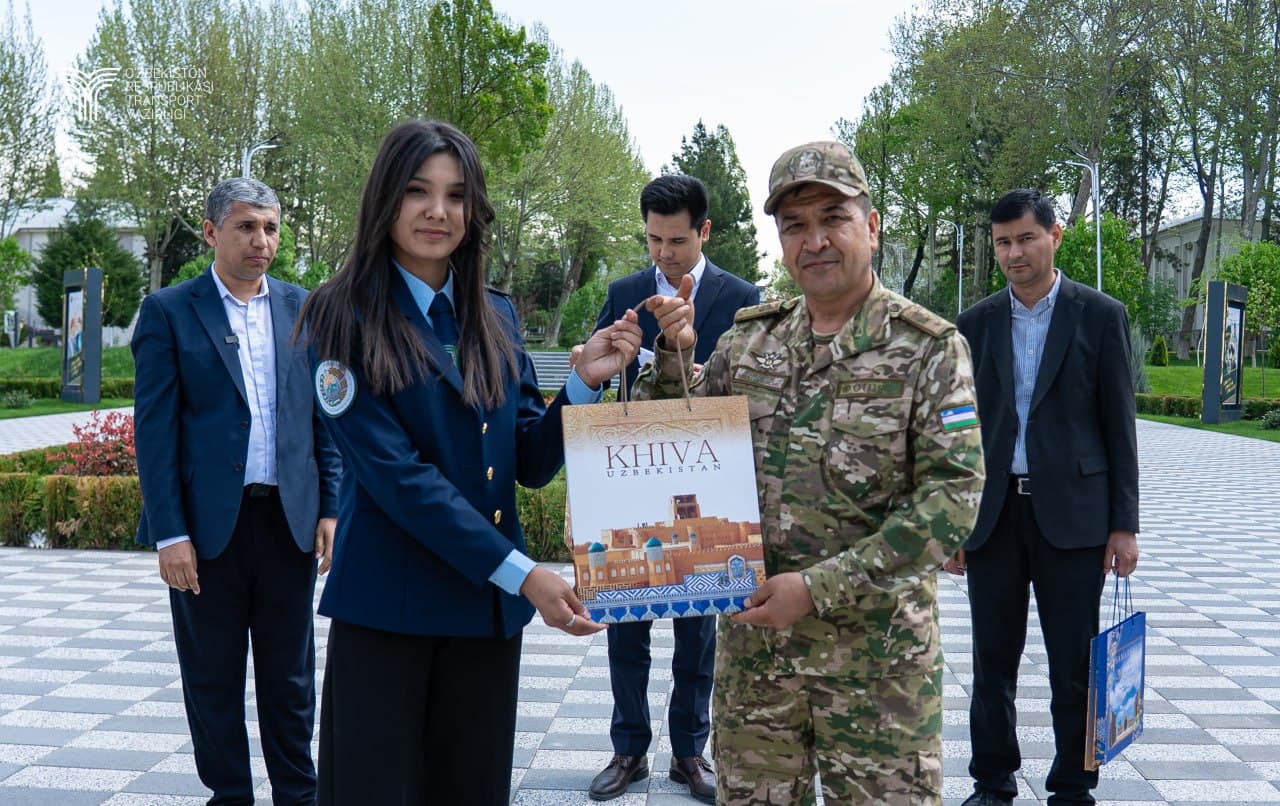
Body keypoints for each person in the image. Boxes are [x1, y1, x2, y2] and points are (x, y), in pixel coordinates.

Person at [297, 119, 642, 806]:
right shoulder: (339, 317)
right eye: (418, 191)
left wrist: (583, 383)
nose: (437, 211)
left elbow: (530, 460)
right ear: (386, 200)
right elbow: (398, 479)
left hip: (482, 619)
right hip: (389, 612)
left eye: (456, 196)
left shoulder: (494, 315)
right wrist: (525, 576)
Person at [633, 140, 985, 805]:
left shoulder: (931, 349)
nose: (815, 240)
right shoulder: (747, 343)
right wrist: (676, 357)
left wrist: (820, 587)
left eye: (834, 218)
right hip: (757, 665)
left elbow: (953, 499)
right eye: (795, 225)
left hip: (879, 671)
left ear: (872, 226)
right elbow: (682, 450)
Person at [132, 177, 342, 805]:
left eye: (271, 227)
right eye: (248, 227)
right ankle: (229, 795)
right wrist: (170, 533)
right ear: (211, 232)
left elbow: (321, 419)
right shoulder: (170, 311)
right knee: (212, 677)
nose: (262, 241)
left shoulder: (304, 309)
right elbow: (155, 432)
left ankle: (297, 796)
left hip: (287, 523)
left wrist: (330, 507)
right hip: (206, 532)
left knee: (291, 678)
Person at [945, 188, 1140, 806]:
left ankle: (1073, 786)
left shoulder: (1100, 315)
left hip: (1076, 519)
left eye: (1026, 238)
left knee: (1074, 666)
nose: (1014, 253)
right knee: (992, 661)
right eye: (1003, 242)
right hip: (995, 515)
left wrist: (1123, 525)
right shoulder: (973, 324)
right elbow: (959, 426)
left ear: (1054, 236)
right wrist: (954, 519)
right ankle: (993, 781)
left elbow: (1120, 425)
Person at [585, 173, 760, 804]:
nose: (663, 253)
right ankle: (628, 748)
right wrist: (608, 354)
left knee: (698, 627)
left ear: (704, 231)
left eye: (677, 240)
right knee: (624, 623)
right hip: (633, 477)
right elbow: (600, 381)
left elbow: (750, 392)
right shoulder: (625, 292)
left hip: (705, 482)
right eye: (654, 239)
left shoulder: (742, 297)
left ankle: (691, 751)